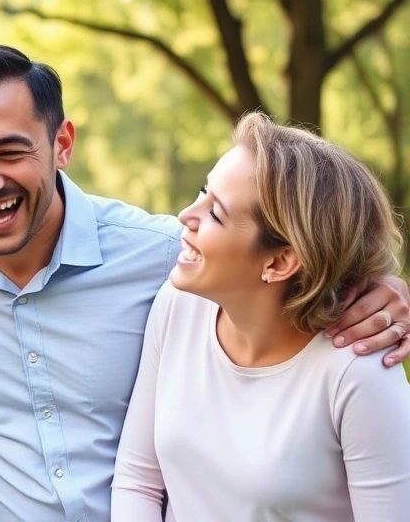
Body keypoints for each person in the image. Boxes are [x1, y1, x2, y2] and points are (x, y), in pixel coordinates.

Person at [0, 44, 410, 521]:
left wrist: (378, 287)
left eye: (11, 152)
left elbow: (303, 256)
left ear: (62, 143)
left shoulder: (167, 261)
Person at [110, 112, 410, 521]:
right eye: (203, 191)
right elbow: (137, 479)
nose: (186, 215)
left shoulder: (358, 371)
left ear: (280, 261)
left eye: (216, 213)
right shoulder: (178, 306)